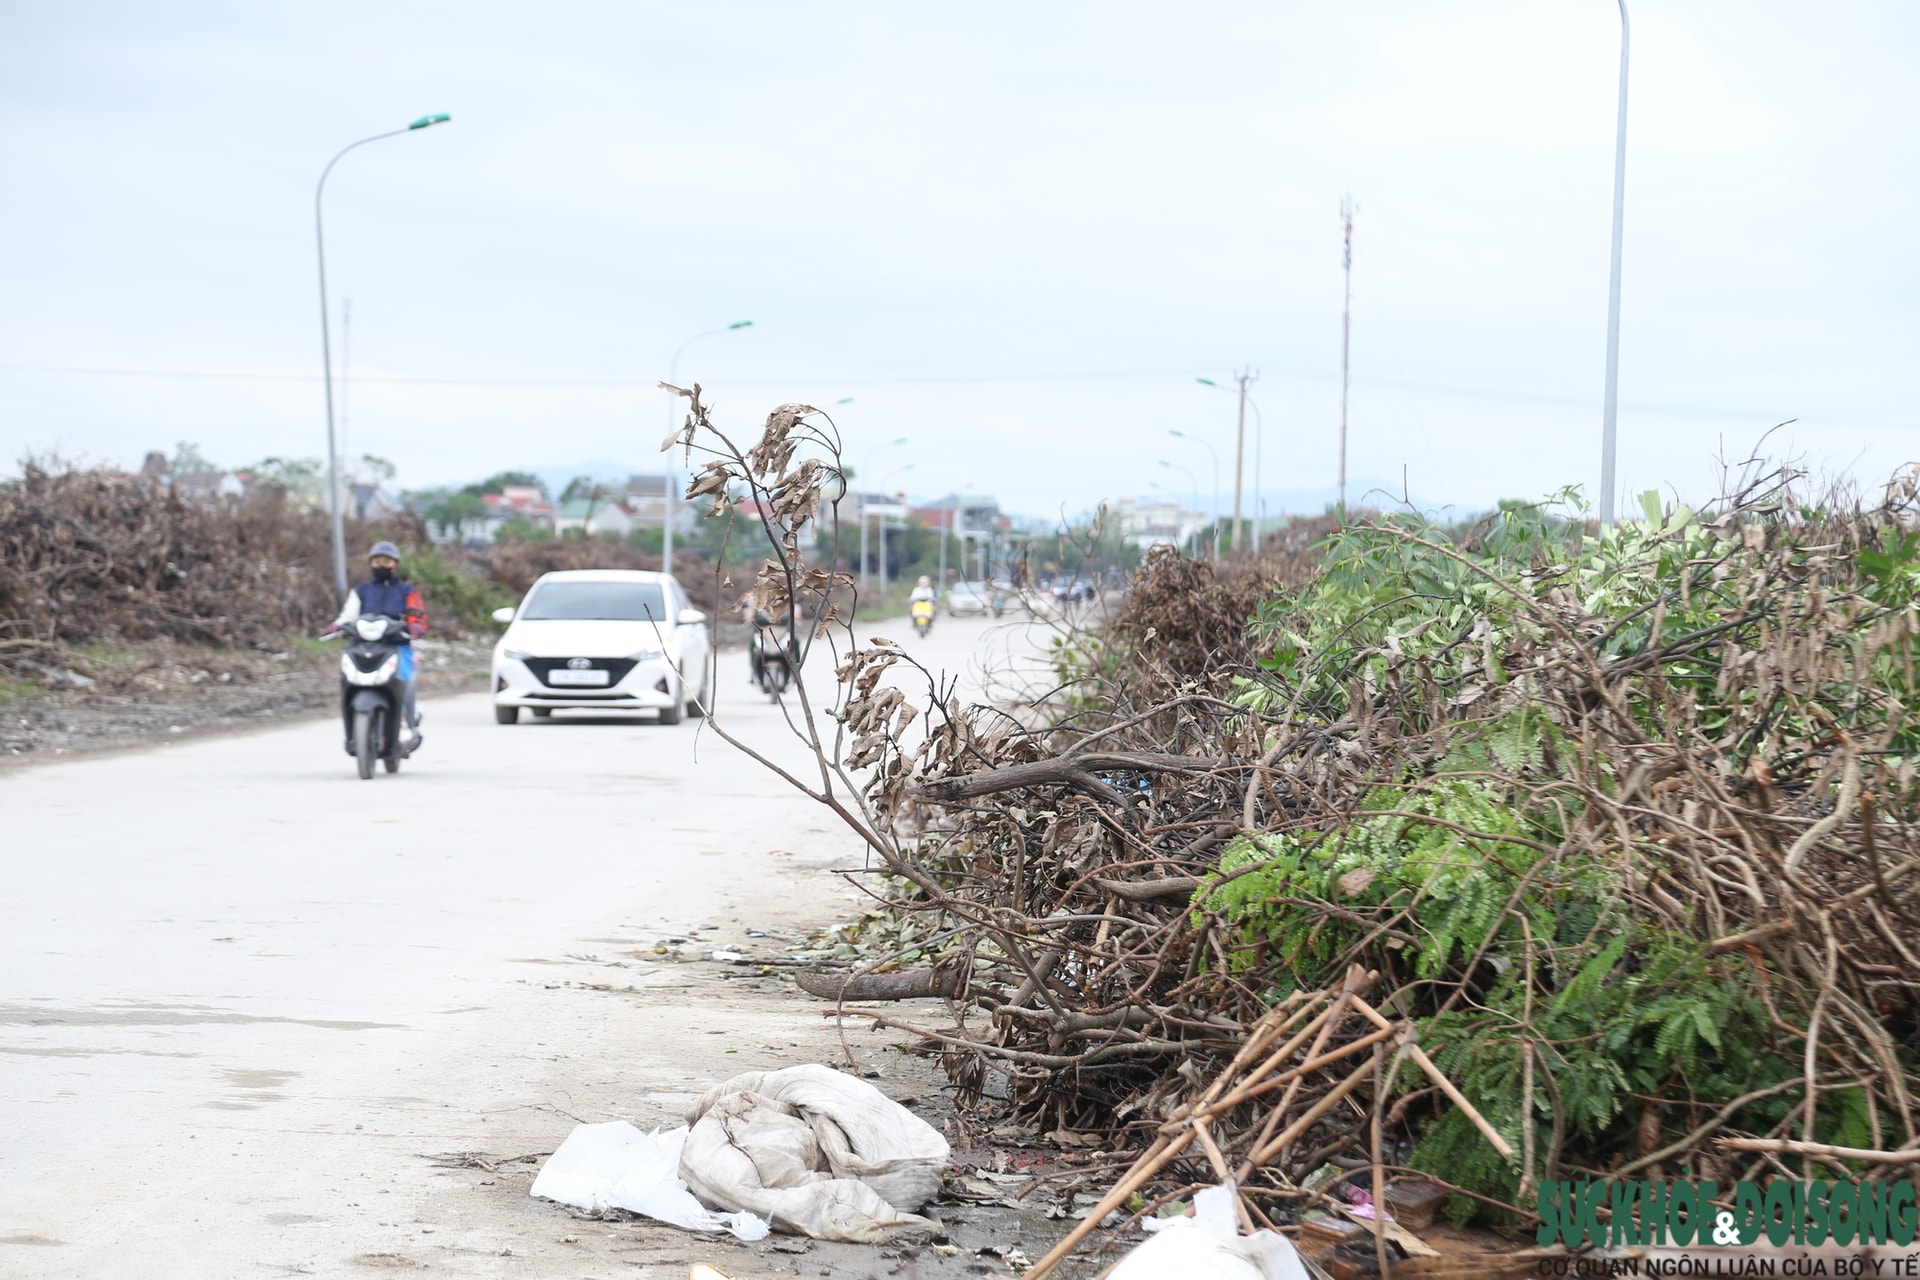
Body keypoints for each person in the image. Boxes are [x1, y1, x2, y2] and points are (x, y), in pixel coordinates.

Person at [329, 541, 428, 742]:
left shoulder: (407, 591)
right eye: (377, 561)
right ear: (371, 564)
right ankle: (354, 722)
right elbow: (348, 615)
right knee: (346, 676)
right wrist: (337, 626)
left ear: (395, 564)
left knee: (404, 679)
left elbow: (416, 614)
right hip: (363, 645)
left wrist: (415, 626)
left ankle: (401, 721)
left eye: (387, 561)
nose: (382, 565)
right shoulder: (361, 590)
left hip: (397, 646)